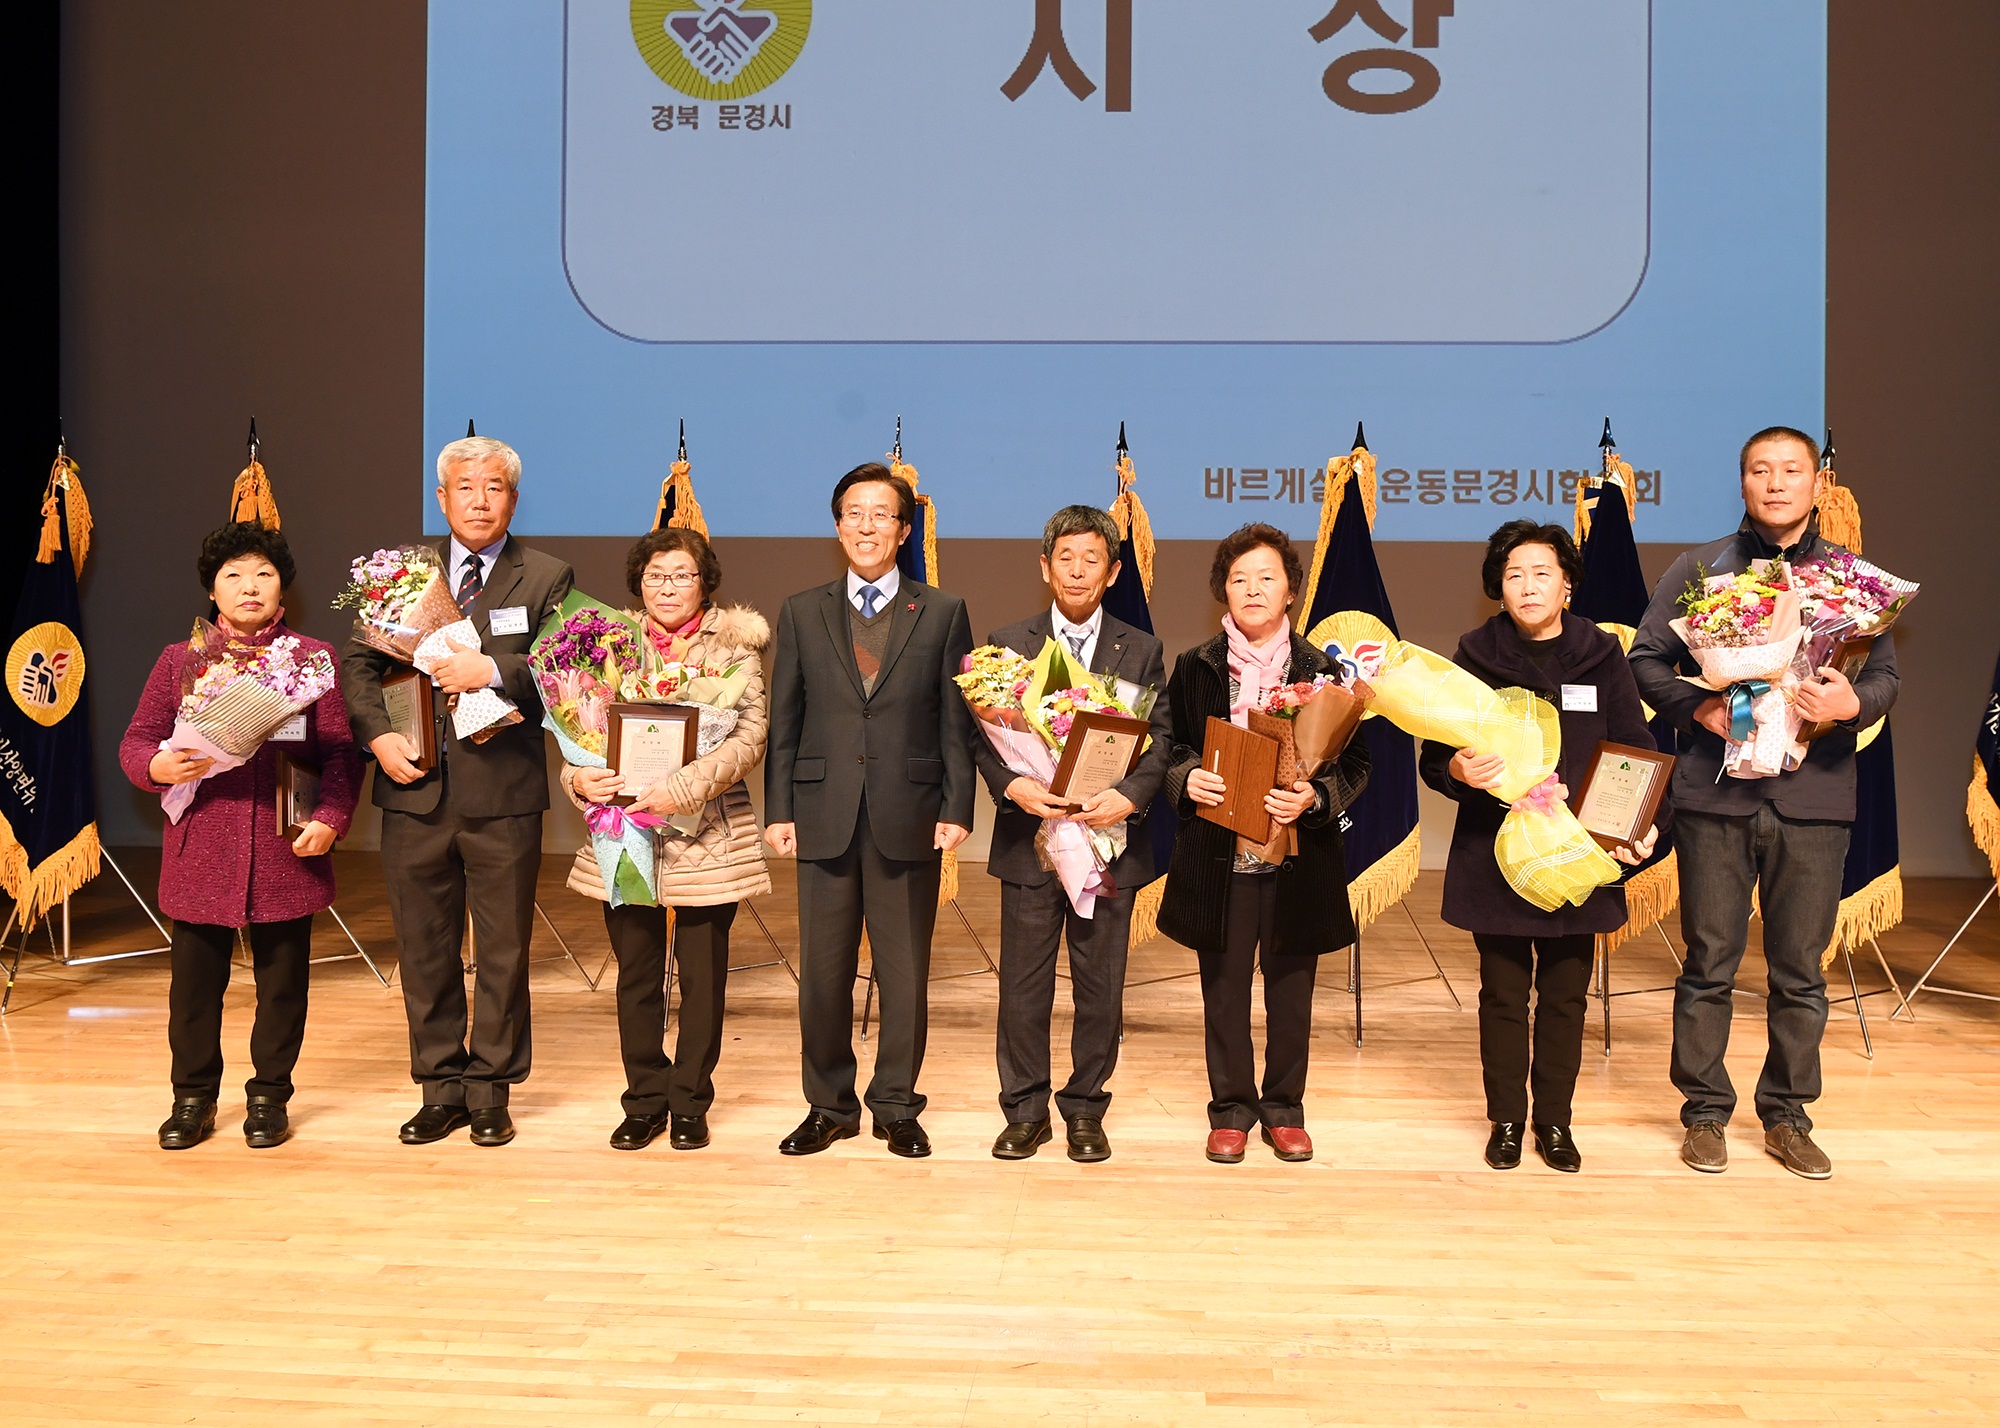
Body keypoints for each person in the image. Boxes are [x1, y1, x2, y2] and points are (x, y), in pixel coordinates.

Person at [1630, 426, 1899, 1180]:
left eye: (1790, 470)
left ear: (1818, 483)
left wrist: (1851, 703)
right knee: (1708, 963)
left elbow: (1885, 679)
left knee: (1800, 972)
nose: (1775, 483)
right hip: (1717, 797)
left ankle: (1787, 1115)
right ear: (1742, 481)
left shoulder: (1852, 579)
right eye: (1760, 470)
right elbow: (1646, 659)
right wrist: (1699, 709)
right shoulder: (1701, 568)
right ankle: (1704, 1114)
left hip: (1814, 798)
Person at [340, 436, 573, 1148]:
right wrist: (379, 737)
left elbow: (564, 667)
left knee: (503, 951)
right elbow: (358, 666)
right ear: (441, 498)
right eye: (465, 487)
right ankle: (439, 1087)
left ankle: (491, 1089)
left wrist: (491, 670)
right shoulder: (403, 576)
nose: (479, 500)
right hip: (413, 789)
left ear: (514, 499)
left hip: (503, 794)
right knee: (424, 947)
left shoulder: (548, 575)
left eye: (494, 487)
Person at [1418, 521, 1667, 1174]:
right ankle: (1506, 1119)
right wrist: (1456, 769)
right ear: (1498, 589)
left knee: (1565, 996)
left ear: (1567, 585)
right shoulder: (1475, 655)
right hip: (1497, 859)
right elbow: (1436, 756)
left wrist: (1643, 824)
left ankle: (1555, 1121)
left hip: (1576, 857)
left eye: (1541, 573)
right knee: (1502, 995)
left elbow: (1636, 748)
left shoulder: (1602, 656)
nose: (1528, 586)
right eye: (1513, 575)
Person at [119, 522, 360, 1150]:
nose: (249, 586)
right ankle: (192, 1098)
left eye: (263, 574)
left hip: (287, 846)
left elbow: (339, 753)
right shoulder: (181, 660)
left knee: (283, 988)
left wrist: (330, 818)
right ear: (212, 590)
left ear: (283, 586)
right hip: (201, 847)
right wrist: (156, 767)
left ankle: (269, 1097)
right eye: (233, 575)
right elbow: (137, 741)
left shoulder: (311, 660)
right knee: (194, 992)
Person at [764, 462, 976, 1158]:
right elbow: (785, 719)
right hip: (822, 812)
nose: (866, 526)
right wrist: (779, 809)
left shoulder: (942, 611)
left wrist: (957, 805)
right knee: (823, 977)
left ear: (903, 530)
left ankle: (896, 1106)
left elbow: (954, 721)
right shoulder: (802, 610)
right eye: (853, 513)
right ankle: (828, 1106)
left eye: (881, 514)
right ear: (837, 526)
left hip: (908, 813)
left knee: (904, 974)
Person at [1158, 524, 1370, 1165]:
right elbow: (1169, 745)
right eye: (1239, 578)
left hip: (1297, 859)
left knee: (1291, 994)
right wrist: (1185, 777)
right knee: (1223, 992)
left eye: (1266, 577)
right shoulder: (1195, 665)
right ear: (1223, 590)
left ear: (1290, 590)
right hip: (1219, 856)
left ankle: (1283, 1110)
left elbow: (1355, 763)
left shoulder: (1322, 671)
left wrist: (1314, 797)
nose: (1252, 589)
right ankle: (1229, 1111)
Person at [558, 527, 771, 1151]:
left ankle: (689, 1101)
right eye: (656, 576)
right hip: (624, 829)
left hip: (707, 833)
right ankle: (644, 1100)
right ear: (639, 584)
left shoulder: (735, 646)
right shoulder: (606, 642)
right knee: (636, 975)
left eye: (682, 575)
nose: (668, 587)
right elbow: (577, 729)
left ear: (705, 582)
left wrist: (683, 788)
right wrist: (578, 778)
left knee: (702, 978)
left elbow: (750, 736)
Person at [972, 505, 1171, 1163]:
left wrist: (1128, 797)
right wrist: (1012, 786)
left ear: (1112, 573)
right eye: (1066, 557)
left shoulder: (1141, 648)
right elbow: (981, 741)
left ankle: (1086, 1108)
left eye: (1092, 559)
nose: (1078, 570)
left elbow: (1162, 741)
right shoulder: (1008, 644)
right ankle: (1025, 1110)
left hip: (1106, 843)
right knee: (1022, 987)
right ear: (1045, 566)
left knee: (1100, 987)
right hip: (1030, 842)